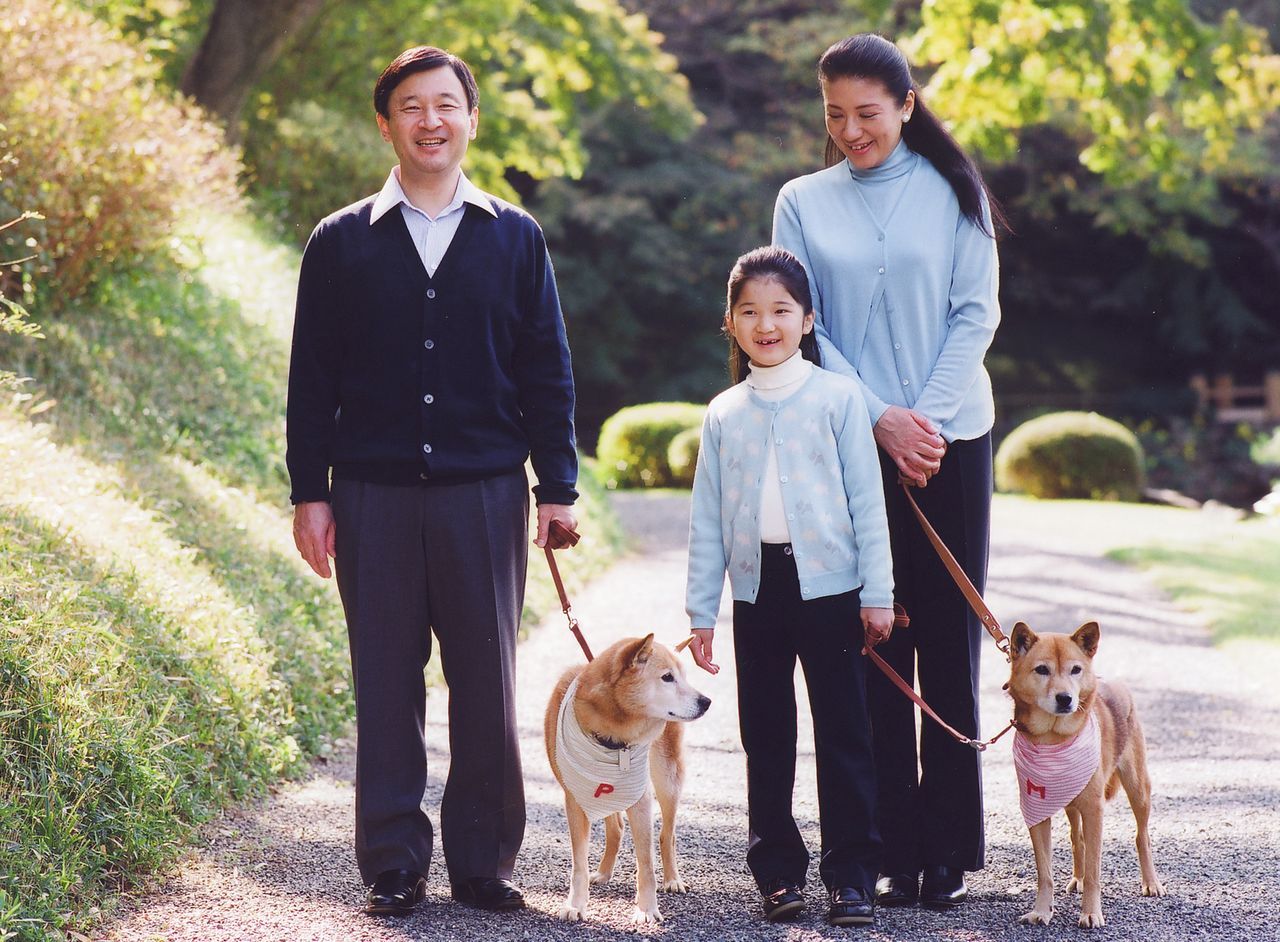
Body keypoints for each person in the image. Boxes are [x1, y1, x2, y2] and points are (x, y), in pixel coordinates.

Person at [286, 45, 579, 917]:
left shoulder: (515, 237)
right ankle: (393, 864)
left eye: (447, 104)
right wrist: (311, 492)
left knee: (486, 680)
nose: (431, 121)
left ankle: (484, 861)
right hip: (371, 496)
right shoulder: (340, 242)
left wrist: (556, 485)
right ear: (387, 123)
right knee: (385, 681)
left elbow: (546, 371)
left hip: (483, 494)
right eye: (412, 106)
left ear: (471, 119)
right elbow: (312, 378)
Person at [772, 33, 1005, 911]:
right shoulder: (801, 200)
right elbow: (805, 323)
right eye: (835, 116)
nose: (851, 130)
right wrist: (877, 418)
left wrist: (925, 428)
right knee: (869, 641)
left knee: (947, 639)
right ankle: (880, 845)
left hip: (952, 441)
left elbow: (973, 314)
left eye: (868, 114)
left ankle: (946, 848)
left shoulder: (956, 192)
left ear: (906, 106)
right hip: (847, 439)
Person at [685, 247, 895, 927]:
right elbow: (707, 518)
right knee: (766, 733)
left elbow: (868, 503)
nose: (765, 323)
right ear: (731, 323)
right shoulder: (723, 412)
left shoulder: (837, 399)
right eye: (750, 311)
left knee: (844, 731)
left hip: (832, 590)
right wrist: (701, 611)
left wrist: (878, 594)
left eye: (780, 310)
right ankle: (777, 872)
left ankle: (853, 875)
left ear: (808, 320)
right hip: (757, 593)